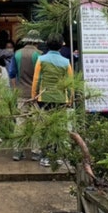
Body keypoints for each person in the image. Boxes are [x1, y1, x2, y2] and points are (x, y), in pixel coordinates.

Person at [31, 35, 73, 167]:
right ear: (61, 45)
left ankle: (46, 157)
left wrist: (34, 96)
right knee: (59, 127)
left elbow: (36, 80)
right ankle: (58, 155)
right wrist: (70, 99)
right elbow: (70, 83)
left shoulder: (41, 59)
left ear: (47, 45)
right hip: (61, 99)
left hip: (45, 98)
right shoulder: (66, 62)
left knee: (46, 127)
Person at [11, 30, 43, 161]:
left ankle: (17, 151)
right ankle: (36, 152)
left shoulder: (17, 54)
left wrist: (15, 90)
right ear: (36, 42)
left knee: (20, 122)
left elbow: (12, 74)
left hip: (21, 93)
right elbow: (41, 76)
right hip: (36, 95)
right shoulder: (39, 55)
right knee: (36, 123)